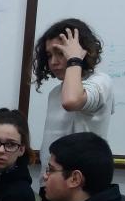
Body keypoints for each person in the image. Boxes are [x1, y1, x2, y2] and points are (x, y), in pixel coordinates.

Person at [33, 18, 115, 186]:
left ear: (81, 52)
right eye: (49, 55)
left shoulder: (100, 81)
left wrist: (74, 60)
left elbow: (71, 101)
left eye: (61, 53)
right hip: (52, 184)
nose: (53, 62)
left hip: (80, 188)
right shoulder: (56, 92)